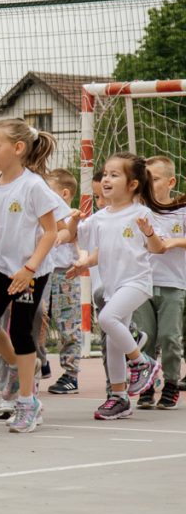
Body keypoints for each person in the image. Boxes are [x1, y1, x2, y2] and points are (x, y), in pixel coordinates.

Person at [67, 153, 175, 420]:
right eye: (105, 174)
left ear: (133, 184)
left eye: (115, 175)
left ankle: (142, 362)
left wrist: (149, 232)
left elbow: (159, 248)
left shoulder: (141, 213)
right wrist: (70, 220)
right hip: (114, 286)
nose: (106, 179)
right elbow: (72, 236)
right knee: (115, 341)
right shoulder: (100, 217)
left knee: (106, 318)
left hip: (137, 282)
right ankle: (119, 397)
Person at [0, 118, 59, 433]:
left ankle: (27, 401)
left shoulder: (33, 185)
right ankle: (21, 362)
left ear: (18, 148)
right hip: (5, 267)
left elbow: (51, 232)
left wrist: (30, 267)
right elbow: (2, 228)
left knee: (22, 331)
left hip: (32, 270)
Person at [136, 156, 186, 410]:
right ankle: (146, 385)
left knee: (169, 336)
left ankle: (171, 383)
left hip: (172, 283)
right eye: (146, 179)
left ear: (171, 182)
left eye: (154, 179)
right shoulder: (139, 213)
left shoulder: (182, 211)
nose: (149, 184)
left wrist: (174, 242)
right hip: (143, 284)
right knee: (146, 337)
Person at [42, 168, 83, 395]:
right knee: (38, 320)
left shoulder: (71, 216)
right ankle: (40, 361)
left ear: (64, 194)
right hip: (43, 272)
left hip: (64, 274)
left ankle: (70, 374)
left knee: (68, 323)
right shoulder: (43, 216)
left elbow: (72, 234)